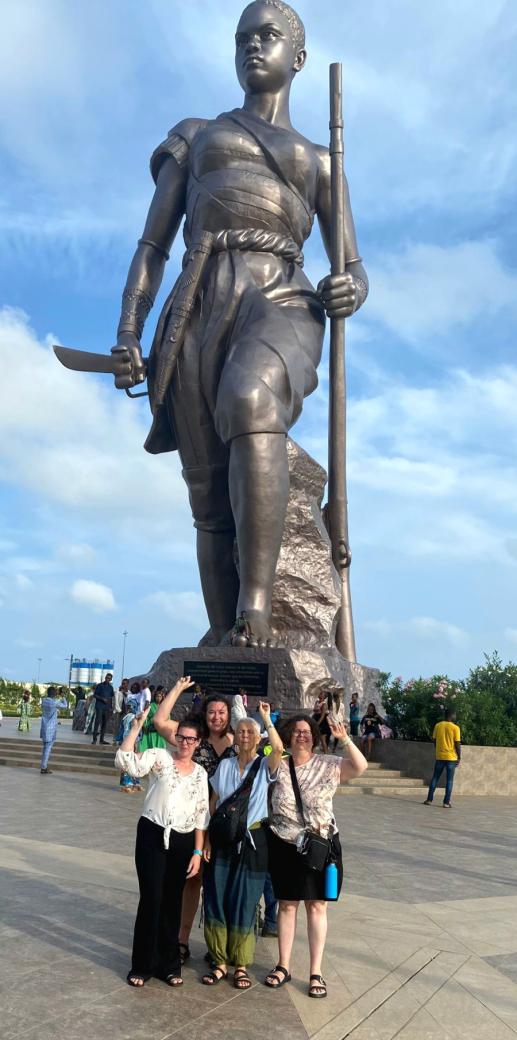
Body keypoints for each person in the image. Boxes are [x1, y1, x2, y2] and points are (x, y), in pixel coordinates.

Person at [110, 0, 367, 650]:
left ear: (297, 57)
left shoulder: (319, 159)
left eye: (270, 36)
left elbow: (353, 269)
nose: (255, 47)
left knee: (250, 401)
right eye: (244, 38)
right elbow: (152, 247)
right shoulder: (197, 134)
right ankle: (225, 631)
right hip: (197, 299)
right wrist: (128, 333)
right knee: (206, 487)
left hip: (280, 295)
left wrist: (348, 287)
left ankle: (257, 600)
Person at [264, 714, 367, 997]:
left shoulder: (328, 764)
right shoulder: (278, 765)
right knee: (286, 905)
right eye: (296, 731)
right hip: (285, 844)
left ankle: (315, 972)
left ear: (314, 735)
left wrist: (344, 738)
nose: (302, 735)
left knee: (316, 906)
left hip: (320, 846)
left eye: (307, 731)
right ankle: (283, 965)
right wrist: (266, 720)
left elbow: (360, 767)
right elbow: (271, 752)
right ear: (288, 736)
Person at [115, 707, 209, 987]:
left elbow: (202, 814)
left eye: (191, 739)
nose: (185, 743)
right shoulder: (159, 757)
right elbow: (126, 763)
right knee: (152, 899)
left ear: (198, 743)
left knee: (173, 901)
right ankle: (142, 965)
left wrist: (196, 851)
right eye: (181, 737)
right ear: (174, 737)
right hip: (152, 835)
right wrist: (135, 728)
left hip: (183, 840)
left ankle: (169, 966)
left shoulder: (201, 774)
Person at [202, 705, 283, 989]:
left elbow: (279, 748)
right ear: (234, 737)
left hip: (252, 841)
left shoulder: (265, 765)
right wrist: (209, 840)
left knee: (246, 901)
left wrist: (265, 720)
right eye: (241, 731)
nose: (246, 735)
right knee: (217, 896)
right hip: (222, 841)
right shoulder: (224, 765)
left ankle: (241, 963)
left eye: (251, 732)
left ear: (259, 737)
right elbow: (213, 805)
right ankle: (220, 960)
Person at [155, 689, 236, 964]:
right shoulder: (193, 739)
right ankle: (180, 940)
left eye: (222, 712)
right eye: (212, 711)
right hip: (193, 823)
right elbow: (159, 721)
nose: (216, 716)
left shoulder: (240, 742)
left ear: (229, 715)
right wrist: (177, 688)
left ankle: (220, 948)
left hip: (228, 826)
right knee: (191, 882)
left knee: (223, 886)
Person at [424, 709, 461, 808]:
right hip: (451, 758)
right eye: (455, 715)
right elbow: (457, 743)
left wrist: (438, 750)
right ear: (451, 716)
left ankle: (429, 799)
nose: (455, 717)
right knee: (449, 780)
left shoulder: (438, 725)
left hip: (440, 756)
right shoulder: (455, 728)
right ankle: (446, 802)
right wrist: (459, 757)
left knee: (435, 777)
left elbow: (434, 740)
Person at [40, 686, 69, 774]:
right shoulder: (54, 702)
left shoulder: (44, 701)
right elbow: (65, 705)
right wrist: (63, 696)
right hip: (51, 728)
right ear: (54, 694)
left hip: (44, 726)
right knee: (48, 748)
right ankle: (44, 767)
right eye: (56, 692)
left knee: (45, 747)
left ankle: (43, 766)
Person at [139, 687, 168, 751]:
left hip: (160, 729)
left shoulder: (164, 706)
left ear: (162, 697)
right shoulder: (151, 706)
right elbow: (146, 716)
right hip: (151, 727)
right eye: (157, 696)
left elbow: (167, 716)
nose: (158, 698)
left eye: (160, 696)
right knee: (151, 745)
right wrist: (145, 725)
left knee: (160, 746)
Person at [92, 672, 114, 745]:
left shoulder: (111, 687)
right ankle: (94, 739)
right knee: (97, 722)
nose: (107, 679)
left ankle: (102, 739)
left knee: (104, 723)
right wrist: (102, 699)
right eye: (107, 678)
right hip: (99, 706)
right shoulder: (100, 685)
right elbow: (95, 695)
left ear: (111, 679)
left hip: (106, 708)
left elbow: (111, 698)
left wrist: (111, 707)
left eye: (109, 678)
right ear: (105, 678)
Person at [113, 678, 129, 744]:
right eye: (122, 683)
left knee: (124, 726)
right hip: (118, 711)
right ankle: (115, 739)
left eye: (124, 684)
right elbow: (116, 701)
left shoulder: (129, 692)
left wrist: (124, 693)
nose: (123, 685)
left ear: (127, 684)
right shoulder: (117, 691)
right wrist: (119, 710)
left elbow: (128, 700)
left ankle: (121, 739)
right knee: (117, 725)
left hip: (125, 711)